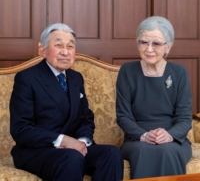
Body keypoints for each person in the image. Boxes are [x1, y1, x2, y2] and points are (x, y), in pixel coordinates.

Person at [10, 23, 123, 181]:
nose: (65, 52)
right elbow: (21, 129)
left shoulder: (76, 78)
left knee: (111, 153)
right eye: (58, 45)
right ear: (42, 50)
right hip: (37, 150)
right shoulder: (27, 78)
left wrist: (82, 142)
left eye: (70, 46)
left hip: (72, 149)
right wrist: (63, 140)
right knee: (71, 158)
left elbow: (86, 118)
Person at [116, 16, 192, 179]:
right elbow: (123, 117)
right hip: (137, 139)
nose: (149, 49)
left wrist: (169, 135)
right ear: (138, 44)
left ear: (168, 47)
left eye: (156, 43)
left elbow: (185, 118)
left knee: (168, 150)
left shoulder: (179, 72)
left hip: (173, 138)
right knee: (144, 150)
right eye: (144, 42)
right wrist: (143, 135)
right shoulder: (127, 71)